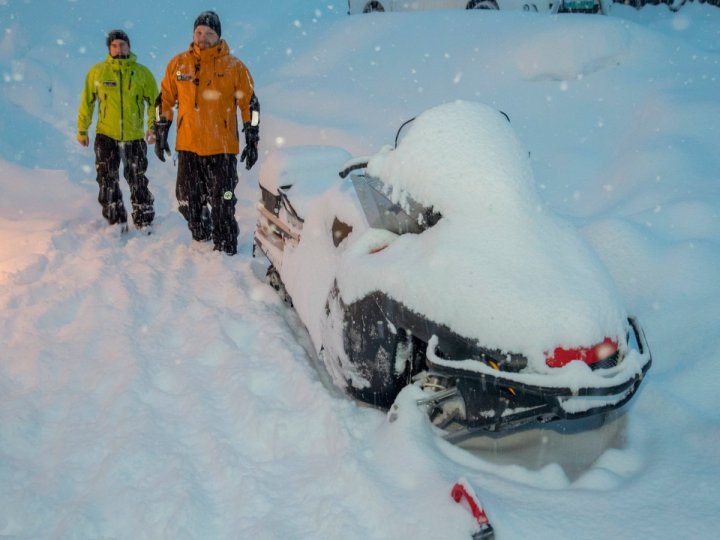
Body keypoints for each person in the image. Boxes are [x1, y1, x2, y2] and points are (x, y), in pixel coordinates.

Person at [154, 10, 260, 256]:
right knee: (185, 198)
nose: (203, 38)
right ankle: (201, 232)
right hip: (189, 147)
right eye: (199, 32)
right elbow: (165, 101)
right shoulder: (179, 64)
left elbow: (250, 105)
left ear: (218, 36)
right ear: (193, 34)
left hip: (221, 150)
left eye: (209, 33)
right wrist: (160, 130)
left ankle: (226, 246)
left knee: (223, 199)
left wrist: (252, 137)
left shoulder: (234, 67)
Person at [77, 29, 158, 233]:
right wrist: (82, 129)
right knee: (106, 178)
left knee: (137, 178)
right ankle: (116, 220)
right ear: (109, 49)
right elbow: (87, 102)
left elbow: (156, 103)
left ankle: (144, 219)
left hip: (133, 137)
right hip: (106, 136)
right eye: (114, 46)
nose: (118, 48)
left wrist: (152, 128)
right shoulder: (98, 72)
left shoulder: (142, 73)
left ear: (129, 47)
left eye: (122, 44)